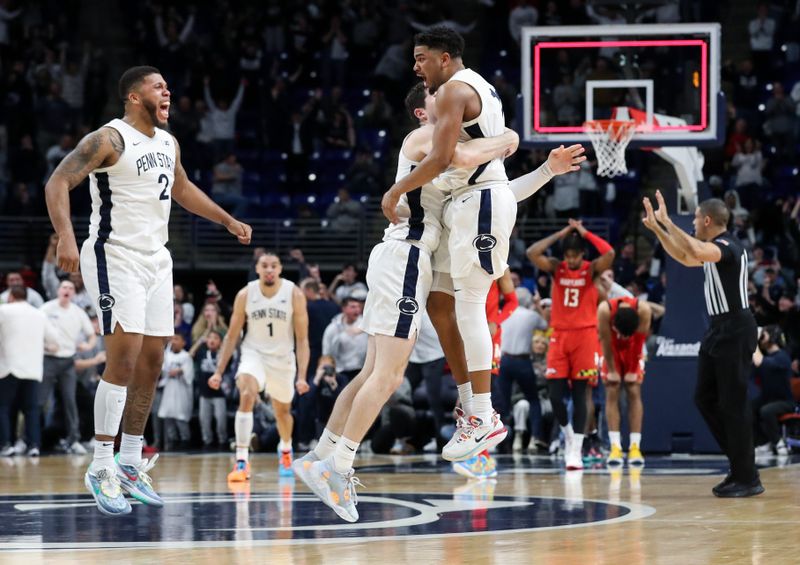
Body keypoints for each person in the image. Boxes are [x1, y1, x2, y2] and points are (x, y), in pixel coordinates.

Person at [293, 81, 520, 523]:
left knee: (371, 372)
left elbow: (493, 185)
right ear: (423, 111)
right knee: (391, 376)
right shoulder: (424, 139)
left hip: (397, 257)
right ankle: (338, 466)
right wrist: (509, 138)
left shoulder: (440, 147)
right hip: (407, 256)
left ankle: (319, 454)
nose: (449, 95)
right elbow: (468, 156)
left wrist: (539, 167)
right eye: (437, 95)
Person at [44, 65, 252, 516]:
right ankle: (100, 466)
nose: (168, 91)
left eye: (167, 85)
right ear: (134, 97)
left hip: (157, 259)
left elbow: (181, 187)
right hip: (114, 254)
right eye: (159, 86)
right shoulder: (109, 139)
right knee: (123, 357)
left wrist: (226, 220)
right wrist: (65, 236)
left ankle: (131, 462)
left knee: (154, 359)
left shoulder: (168, 142)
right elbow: (58, 181)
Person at [382, 27, 585, 464]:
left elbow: (455, 162)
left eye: (421, 58)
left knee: (469, 306)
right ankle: (469, 405)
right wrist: (517, 149)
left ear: (444, 57)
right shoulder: (465, 102)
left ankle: (482, 414)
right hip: (471, 206)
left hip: (472, 208)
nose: (416, 67)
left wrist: (394, 192)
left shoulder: (454, 94)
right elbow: (482, 172)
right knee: (441, 306)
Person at [641, 191, 763, 497]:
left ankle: (747, 476)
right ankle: (739, 464)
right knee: (704, 398)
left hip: (736, 327)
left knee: (733, 404)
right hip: (718, 330)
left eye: (695, 217)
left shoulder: (728, 247)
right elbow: (684, 256)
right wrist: (658, 229)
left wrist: (668, 221)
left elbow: (693, 248)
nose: (693, 222)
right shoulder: (711, 249)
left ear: (707, 220)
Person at [209, 252, 310, 483]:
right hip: (253, 353)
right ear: (257, 269)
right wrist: (218, 371)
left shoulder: (294, 293)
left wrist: (302, 376)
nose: (269, 270)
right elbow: (232, 336)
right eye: (264, 266)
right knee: (246, 393)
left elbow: (303, 339)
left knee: (282, 412)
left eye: (273, 265)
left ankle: (285, 449)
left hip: (282, 358)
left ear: (281, 268)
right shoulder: (245, 294)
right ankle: (242, 461)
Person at [527, 220, 615, 470]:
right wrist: (561, 233)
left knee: (580, 395)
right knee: (555, 396)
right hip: (559, 336)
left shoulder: (591, 270)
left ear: (583, 255)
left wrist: (586, 233)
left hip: (585, 336)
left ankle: (576, 448)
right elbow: (532, 253)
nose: (572, 261)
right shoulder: (557, 268)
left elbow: (610, 253)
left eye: (575, 256)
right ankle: (567, 434)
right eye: (568, 256)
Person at [40, 280, 97, 455]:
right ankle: (35, 441)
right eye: (64, 287)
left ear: (73, 293)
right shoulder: (46, 308)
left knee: (70, 400)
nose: (67, 290)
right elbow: (34, 328)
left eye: (71, 288)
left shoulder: (78, 312)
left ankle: (73, 440)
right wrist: (44, 346)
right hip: (48, 359)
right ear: (58, 290)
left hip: (68, 361)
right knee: (40, 401)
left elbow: (91, 335)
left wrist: (88, 346)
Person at [0, 286, 58, 458]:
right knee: (31, 410)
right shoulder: (39, 314)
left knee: (3, 407)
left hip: (8, 367)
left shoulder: (3, 310)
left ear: (10, 296)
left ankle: (5, 444)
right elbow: (54, 339)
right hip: (32, 369)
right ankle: (34, 446)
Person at [598, 295, 652, 466]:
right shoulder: (604, 310)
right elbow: (605, 341)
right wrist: (612, 370)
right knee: (612, 389)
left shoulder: (644, 310)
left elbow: (640, 341)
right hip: (610, 349)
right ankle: (615, 447)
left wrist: (632, 369)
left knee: (633, 389)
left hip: (633, 348)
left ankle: (635, 447)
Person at [752, 325, 794, 456]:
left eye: (764, 334)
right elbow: (755, 364)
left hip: (786, 402)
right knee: (749, 408)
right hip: (768, 399)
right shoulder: (766, 357)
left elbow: (760, 362)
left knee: (766, 410)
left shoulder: (782, 356)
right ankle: (763, 442)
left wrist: (753, 341)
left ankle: (778, 442)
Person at [157, 333, 194, 450]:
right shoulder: (167, 355)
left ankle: (185, 441)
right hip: (169, 389)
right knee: (168, 416)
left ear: (183, 342)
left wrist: (181, 371)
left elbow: (189, 376)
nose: (174, 341)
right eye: (172, 339)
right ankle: (172, 442)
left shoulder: (186, 356)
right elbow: (162, 371)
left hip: (181, 390)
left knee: (180, 417)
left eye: (177, 339)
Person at [193, 329, 229, 449]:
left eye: (215, 338)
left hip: (219, 394)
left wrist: (224, 346)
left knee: (221, 422)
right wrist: (200, 341)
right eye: (210, 338)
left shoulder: (223, 355)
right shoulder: (202, 352)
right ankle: (207, 442)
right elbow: (190, 354)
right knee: (204, 422)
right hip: (204, 394)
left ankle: (223, 442)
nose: (212, 340)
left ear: (220, 342)